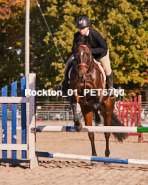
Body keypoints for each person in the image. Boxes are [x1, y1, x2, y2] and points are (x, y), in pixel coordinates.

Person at [62, 16, 114, 97]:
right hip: (83, 55)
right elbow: (73, 48)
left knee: (107, 69)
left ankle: (110, 88)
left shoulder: (95, 34)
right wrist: (77, 55)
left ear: (88, 27)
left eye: (83, 28)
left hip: (100, 54)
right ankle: (65, 84)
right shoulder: (76, 35)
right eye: (79, 28)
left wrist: (90, 52)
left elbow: (104, 48)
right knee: (68, 63)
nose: (81, 30)